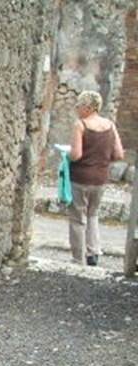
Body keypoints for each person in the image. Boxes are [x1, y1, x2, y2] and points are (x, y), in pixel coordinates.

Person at [68, 90, 126, 266]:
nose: (77, 109)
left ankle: (78, 259)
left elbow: (76, 155)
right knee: (93, 214)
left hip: (80, 177)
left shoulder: (80, 125)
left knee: (78, 218)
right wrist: (102, 160)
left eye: (79, 106)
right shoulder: (110, 125)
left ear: (88, 107)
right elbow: (119, 154)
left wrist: (67, 154)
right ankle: (93, 253)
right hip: (100, 178)